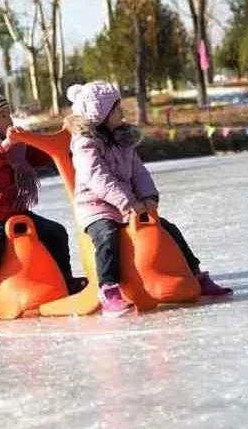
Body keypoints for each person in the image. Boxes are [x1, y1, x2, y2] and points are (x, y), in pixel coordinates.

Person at [66, 82, 232, 317]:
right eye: (116, 108)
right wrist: (127, 202)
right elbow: (97, 178)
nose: (121, 112)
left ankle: (196, 274)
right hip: (97, 206)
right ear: (100, 114)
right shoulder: (85, 144)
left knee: (168, 229)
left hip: (130, 204)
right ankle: (109, 289)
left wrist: (148, 197)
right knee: (107, 236)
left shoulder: (122, 140)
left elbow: (139, 172)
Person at [0, 93, 86, 325]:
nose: (9, 119)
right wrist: (5, 145)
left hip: (15, 212)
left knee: (56, 232)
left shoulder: (16, 146)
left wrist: (67, 144)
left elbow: (40, 154)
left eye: (9, 113)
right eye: (2, 115)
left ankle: (65, 279)